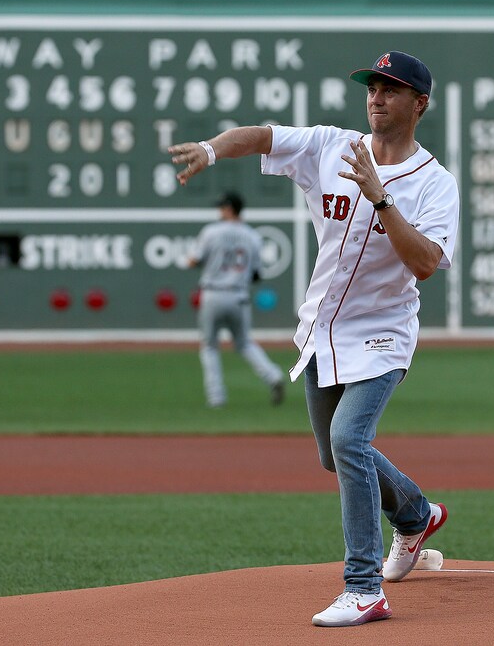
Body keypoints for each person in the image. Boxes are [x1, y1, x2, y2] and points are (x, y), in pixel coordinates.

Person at [169, 51, 459, 627]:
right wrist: (211, 148)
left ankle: (362, 587)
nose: (376, 97)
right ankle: (417, 514)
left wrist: (381, 198)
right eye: (372, 87)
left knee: (351, 438)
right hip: (322, 330)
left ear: (419, 104)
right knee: (335, 455)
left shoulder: (434, 183)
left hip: (384, 332)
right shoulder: (332, 146)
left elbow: (426, 262)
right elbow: (261, 136)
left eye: (391, 89)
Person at [189, 191, 286, 409]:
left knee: (209, 346)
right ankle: (273, 376)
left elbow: (194, 260)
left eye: (222, 207)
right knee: (244, 343)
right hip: (238, 295)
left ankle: (216, 398)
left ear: (229, 208)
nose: (219, 211)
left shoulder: (211, 232)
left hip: (213, 293)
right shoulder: (252, 236)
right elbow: (257, 274)